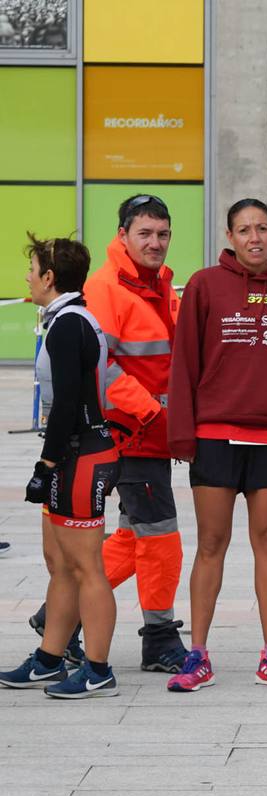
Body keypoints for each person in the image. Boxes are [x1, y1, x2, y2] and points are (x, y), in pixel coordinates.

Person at [28, 195, 188, 674]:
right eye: (145, 234)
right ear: (122, 235)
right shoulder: (104, 288)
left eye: (162, 234)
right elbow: (101, 366)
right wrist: (152, 415)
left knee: (130, 534)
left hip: (148, 434)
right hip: (126, 432)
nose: (155, 243)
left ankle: (58, 615)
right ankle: (159, 636)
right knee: (159, 535)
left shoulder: (161, 283)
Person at [165, 199, 267, 693]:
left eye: (262, 228)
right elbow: (183, 363)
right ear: (229, 236)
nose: (255, 237)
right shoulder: (205, 286)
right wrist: (182, 434)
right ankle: (198, 655)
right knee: (211, 545)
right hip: (213, 436)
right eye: (244, 230)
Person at [0, 235, 121, 698]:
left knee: (86, 565)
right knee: (59, 563)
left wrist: (47, 462)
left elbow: (69, 401)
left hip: (80, 453)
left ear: (50, 277)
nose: (27, 277)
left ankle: (98, 668)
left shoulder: (70, 323)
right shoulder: (64, 318)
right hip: (70, 451)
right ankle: (49, 660)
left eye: (32, 269)